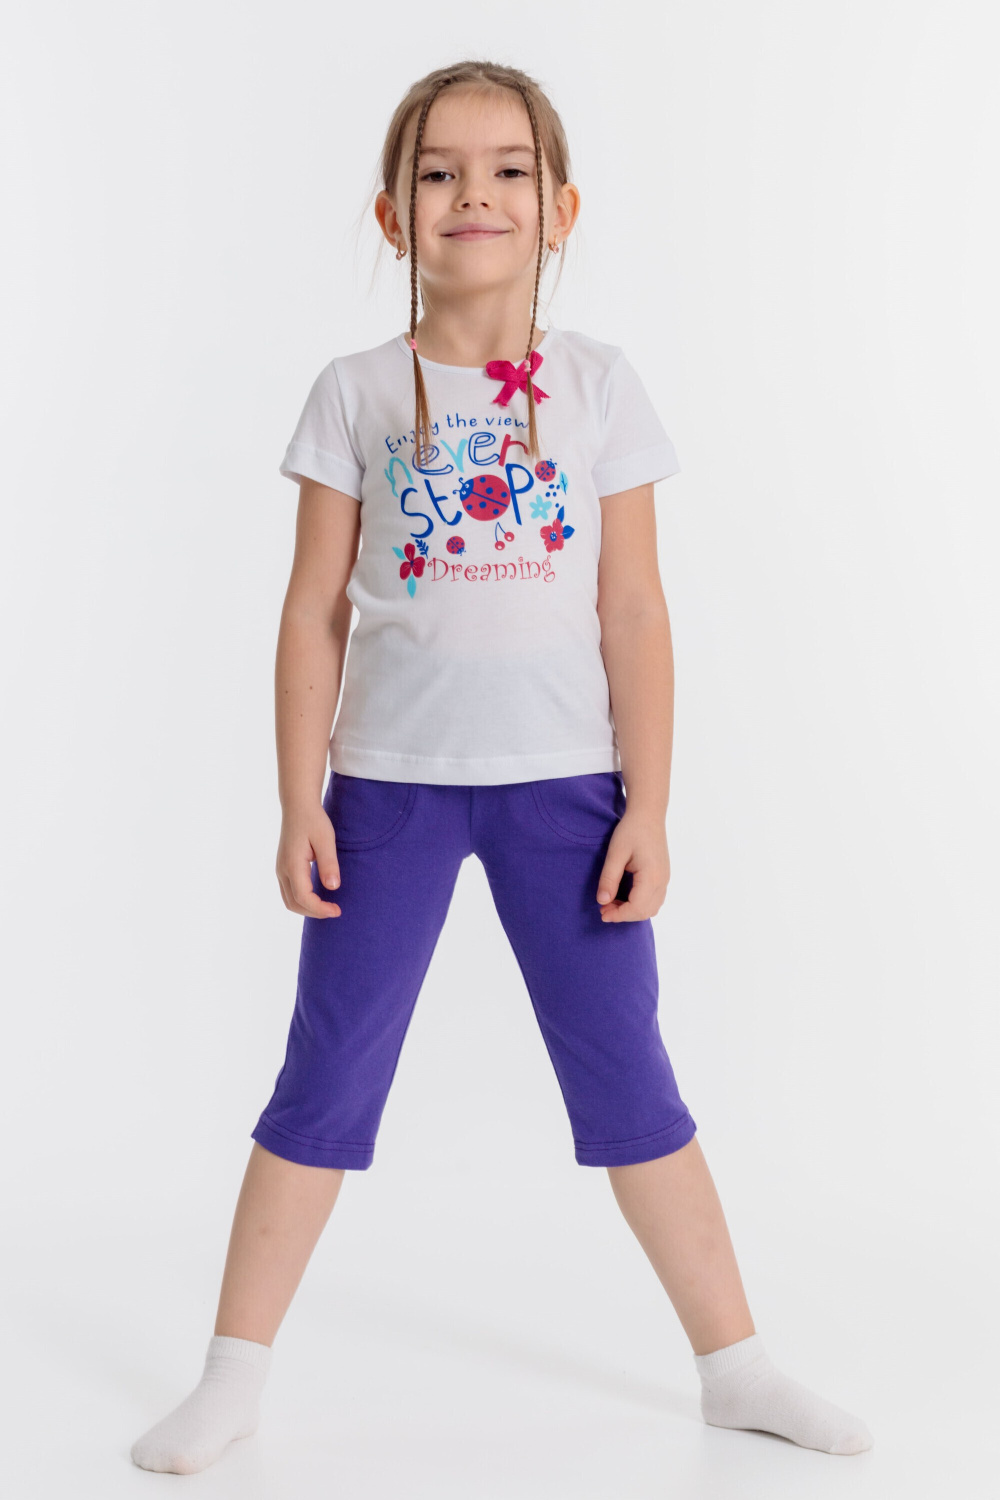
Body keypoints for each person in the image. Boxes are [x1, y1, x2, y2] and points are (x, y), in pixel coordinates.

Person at [130, 58, 873, 1476]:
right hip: (387, 791)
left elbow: (635, 609)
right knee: (325, 1075)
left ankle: (737, 1366)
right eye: (439, 171)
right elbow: (313, 609)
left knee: (630, 1077)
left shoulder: (599, 386)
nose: (475, 192)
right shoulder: (357, 391)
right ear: (392, 212)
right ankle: (231, 1376)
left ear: (561, 206)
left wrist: (650, 803)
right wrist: (298, 798)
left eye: (510, 168)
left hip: (566, 792)